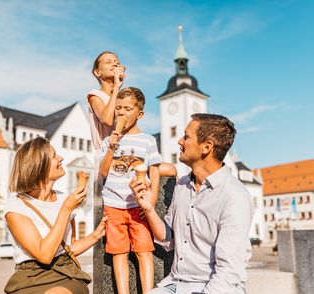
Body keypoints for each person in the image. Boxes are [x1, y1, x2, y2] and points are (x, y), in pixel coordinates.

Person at [130, 113, 255, 294]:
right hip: (176, 284)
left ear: (206, 147)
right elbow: (168, 239)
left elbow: (229, 273)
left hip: (217, 287)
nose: (180, 141)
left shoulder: (235, 196)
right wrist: (148, 208)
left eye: (187, 136)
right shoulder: (182, 185)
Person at [4, 137, 107, 294]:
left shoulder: (65, 199)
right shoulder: (16, 206)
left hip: (66, 275)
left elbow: (68, 249)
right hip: (30, 277)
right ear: (39, 165)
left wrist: (96, 234)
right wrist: (66, 209)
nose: (61, 158)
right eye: (54, 156)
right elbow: (44, 255)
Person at [99, 87, 161, 294]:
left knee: (144, 251)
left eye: (127, 108)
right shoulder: (109, 141)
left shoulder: (148, 140)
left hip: (138, 204)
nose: (122, 113)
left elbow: (155, 172)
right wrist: (111, 147)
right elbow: (103, 171)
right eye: (118, 108)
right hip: (113, 205)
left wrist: (151, 203)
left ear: (140, 114)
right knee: (119, 253)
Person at [87, 51, 177, 179]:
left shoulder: (120, 98)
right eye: (108, 62)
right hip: (107, 154)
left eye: (117, 62)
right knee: (166, 169)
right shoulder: (95, 95)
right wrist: (117, 86)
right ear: (97, 72)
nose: (114, 64)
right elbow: (107, 120)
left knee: (171, 169)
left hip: (126, 150)